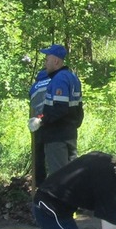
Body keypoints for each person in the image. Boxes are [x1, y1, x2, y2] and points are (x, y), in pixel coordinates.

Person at [28, 44, 84, 187]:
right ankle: (73, 207)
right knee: (72, 175)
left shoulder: (59, 79)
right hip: (70, 134)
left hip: (56, 137)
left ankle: (61, 208)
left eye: (47, 59)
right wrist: (73, 125)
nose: (45, 62)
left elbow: (59, 109)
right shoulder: (73, 77)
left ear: (56, 61)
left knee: (59, 178)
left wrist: (40, 120)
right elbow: (79, 109)